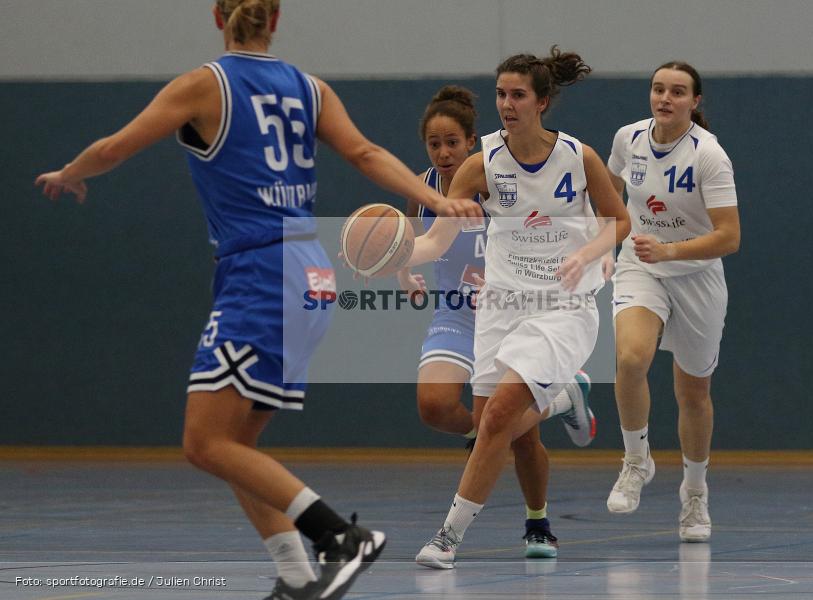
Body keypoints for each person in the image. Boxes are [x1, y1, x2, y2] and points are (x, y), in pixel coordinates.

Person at [34, 1, 480, 599]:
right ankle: (295, 571)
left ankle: (335, 538)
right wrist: (439, 200)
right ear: (275, 20)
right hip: (310, 272)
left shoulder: (204, 86)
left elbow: (115, 147)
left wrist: (70, 171)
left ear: (219, 16)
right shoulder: (309, 88)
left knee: (203, 442)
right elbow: (367, 154)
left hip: (261, 270)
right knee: (234, 445)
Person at [403, 47, 630, 569]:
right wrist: (392, 253)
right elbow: (436, 241)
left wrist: (588, 254)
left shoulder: (579, 157)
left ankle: (447, 537)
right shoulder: (481, 163)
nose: (507, 104)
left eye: (518, 95)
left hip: (564, 305)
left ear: (542, 101)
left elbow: (619, 221)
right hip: (502, 307)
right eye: (501, 94)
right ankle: (562, 411)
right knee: (497, 424)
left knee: (503, 413)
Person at [603, 61, 740, 543]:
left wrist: (672, 250)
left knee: (693, 393)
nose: (665, 98)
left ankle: (695, 494)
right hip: (641, 265)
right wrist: (602, 245)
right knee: (629, 358)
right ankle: (636, 460)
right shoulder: (628, 139)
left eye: (677, 92)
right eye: (658, 89)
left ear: (694, 102)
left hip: (698, 275)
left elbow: (730, 236)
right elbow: (608, 194)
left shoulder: (709, 156)